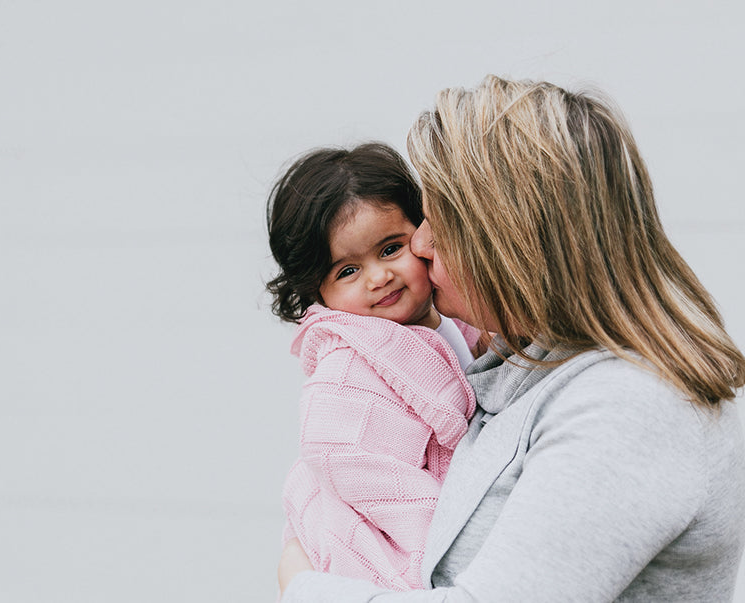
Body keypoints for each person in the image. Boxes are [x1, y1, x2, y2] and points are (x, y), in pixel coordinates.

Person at [277, 75, 745, 602]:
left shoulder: (628, 407)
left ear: (514, 236)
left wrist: (304, 587)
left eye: (439, 221)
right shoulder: (523, 363)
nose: (421, 244)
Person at [266, 143, 484, 590]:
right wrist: (461, 545)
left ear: (424, 234)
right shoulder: (347, 373)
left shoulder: (465, 327)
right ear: (317, 292)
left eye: (390, 249)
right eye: (347, 271)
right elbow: (353, 463)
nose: (377, 277)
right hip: (405, 560)